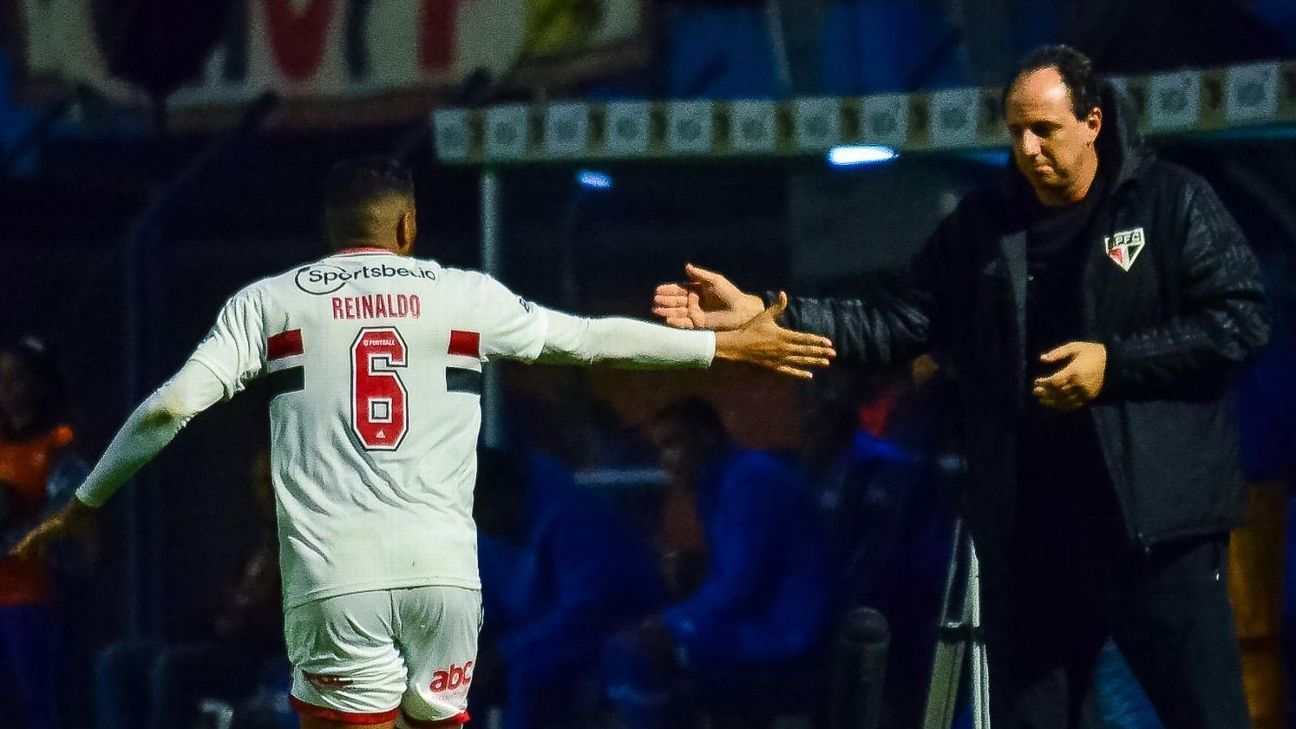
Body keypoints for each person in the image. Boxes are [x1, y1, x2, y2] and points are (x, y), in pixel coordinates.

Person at [10, 156, 834, 729]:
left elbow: (168, 408)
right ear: (406, 224)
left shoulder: (271, 301)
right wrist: (721, 345)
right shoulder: (461, 293)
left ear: (329, 229)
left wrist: (86, 501)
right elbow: (587, 339)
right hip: (441, 574)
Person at [651, 45, 1268, 729]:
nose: (1028, 148)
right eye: (1015, 131)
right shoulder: (984, 225)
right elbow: (895, 318)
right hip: (1033, 536)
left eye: (1046, 129)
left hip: (1157, 533)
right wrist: (771, 310)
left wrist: (1113, 364)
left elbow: (1240, 322)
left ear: (1093, 121)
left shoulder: (1172, 200)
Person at [603, 398, 831, 728]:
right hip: (758, 621)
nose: (666, 460)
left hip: (782, 631)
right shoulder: (720, 483)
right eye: (661, 449)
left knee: (637, 651)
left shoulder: (750, 482)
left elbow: (739, 589)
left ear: (707, 438)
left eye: (674, 444)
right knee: (623, 643)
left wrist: (672, 621)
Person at [473, 447, 663, 729]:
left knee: (527, 675)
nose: (477, 517)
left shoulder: (569, 515)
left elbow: (586, 609)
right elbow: (483, 605)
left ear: (504, 493)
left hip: (604, 632)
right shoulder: (487, 533)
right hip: (534, 639)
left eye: (480, 504)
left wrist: (505, 653)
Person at [93, 450, 283, 729]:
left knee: (171, 667)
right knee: (117, 661)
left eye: (271, 483)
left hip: (261, 655)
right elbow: (226, 599)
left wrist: (249, 616)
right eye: (260, 482)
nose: (264, 492)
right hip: (224, 641)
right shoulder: (255, 539)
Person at [0, 336, 90, 729]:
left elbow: (64, 523)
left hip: (32, 596)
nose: (8, 390)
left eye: (17, 379)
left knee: (39, 706)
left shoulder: (59, 447)